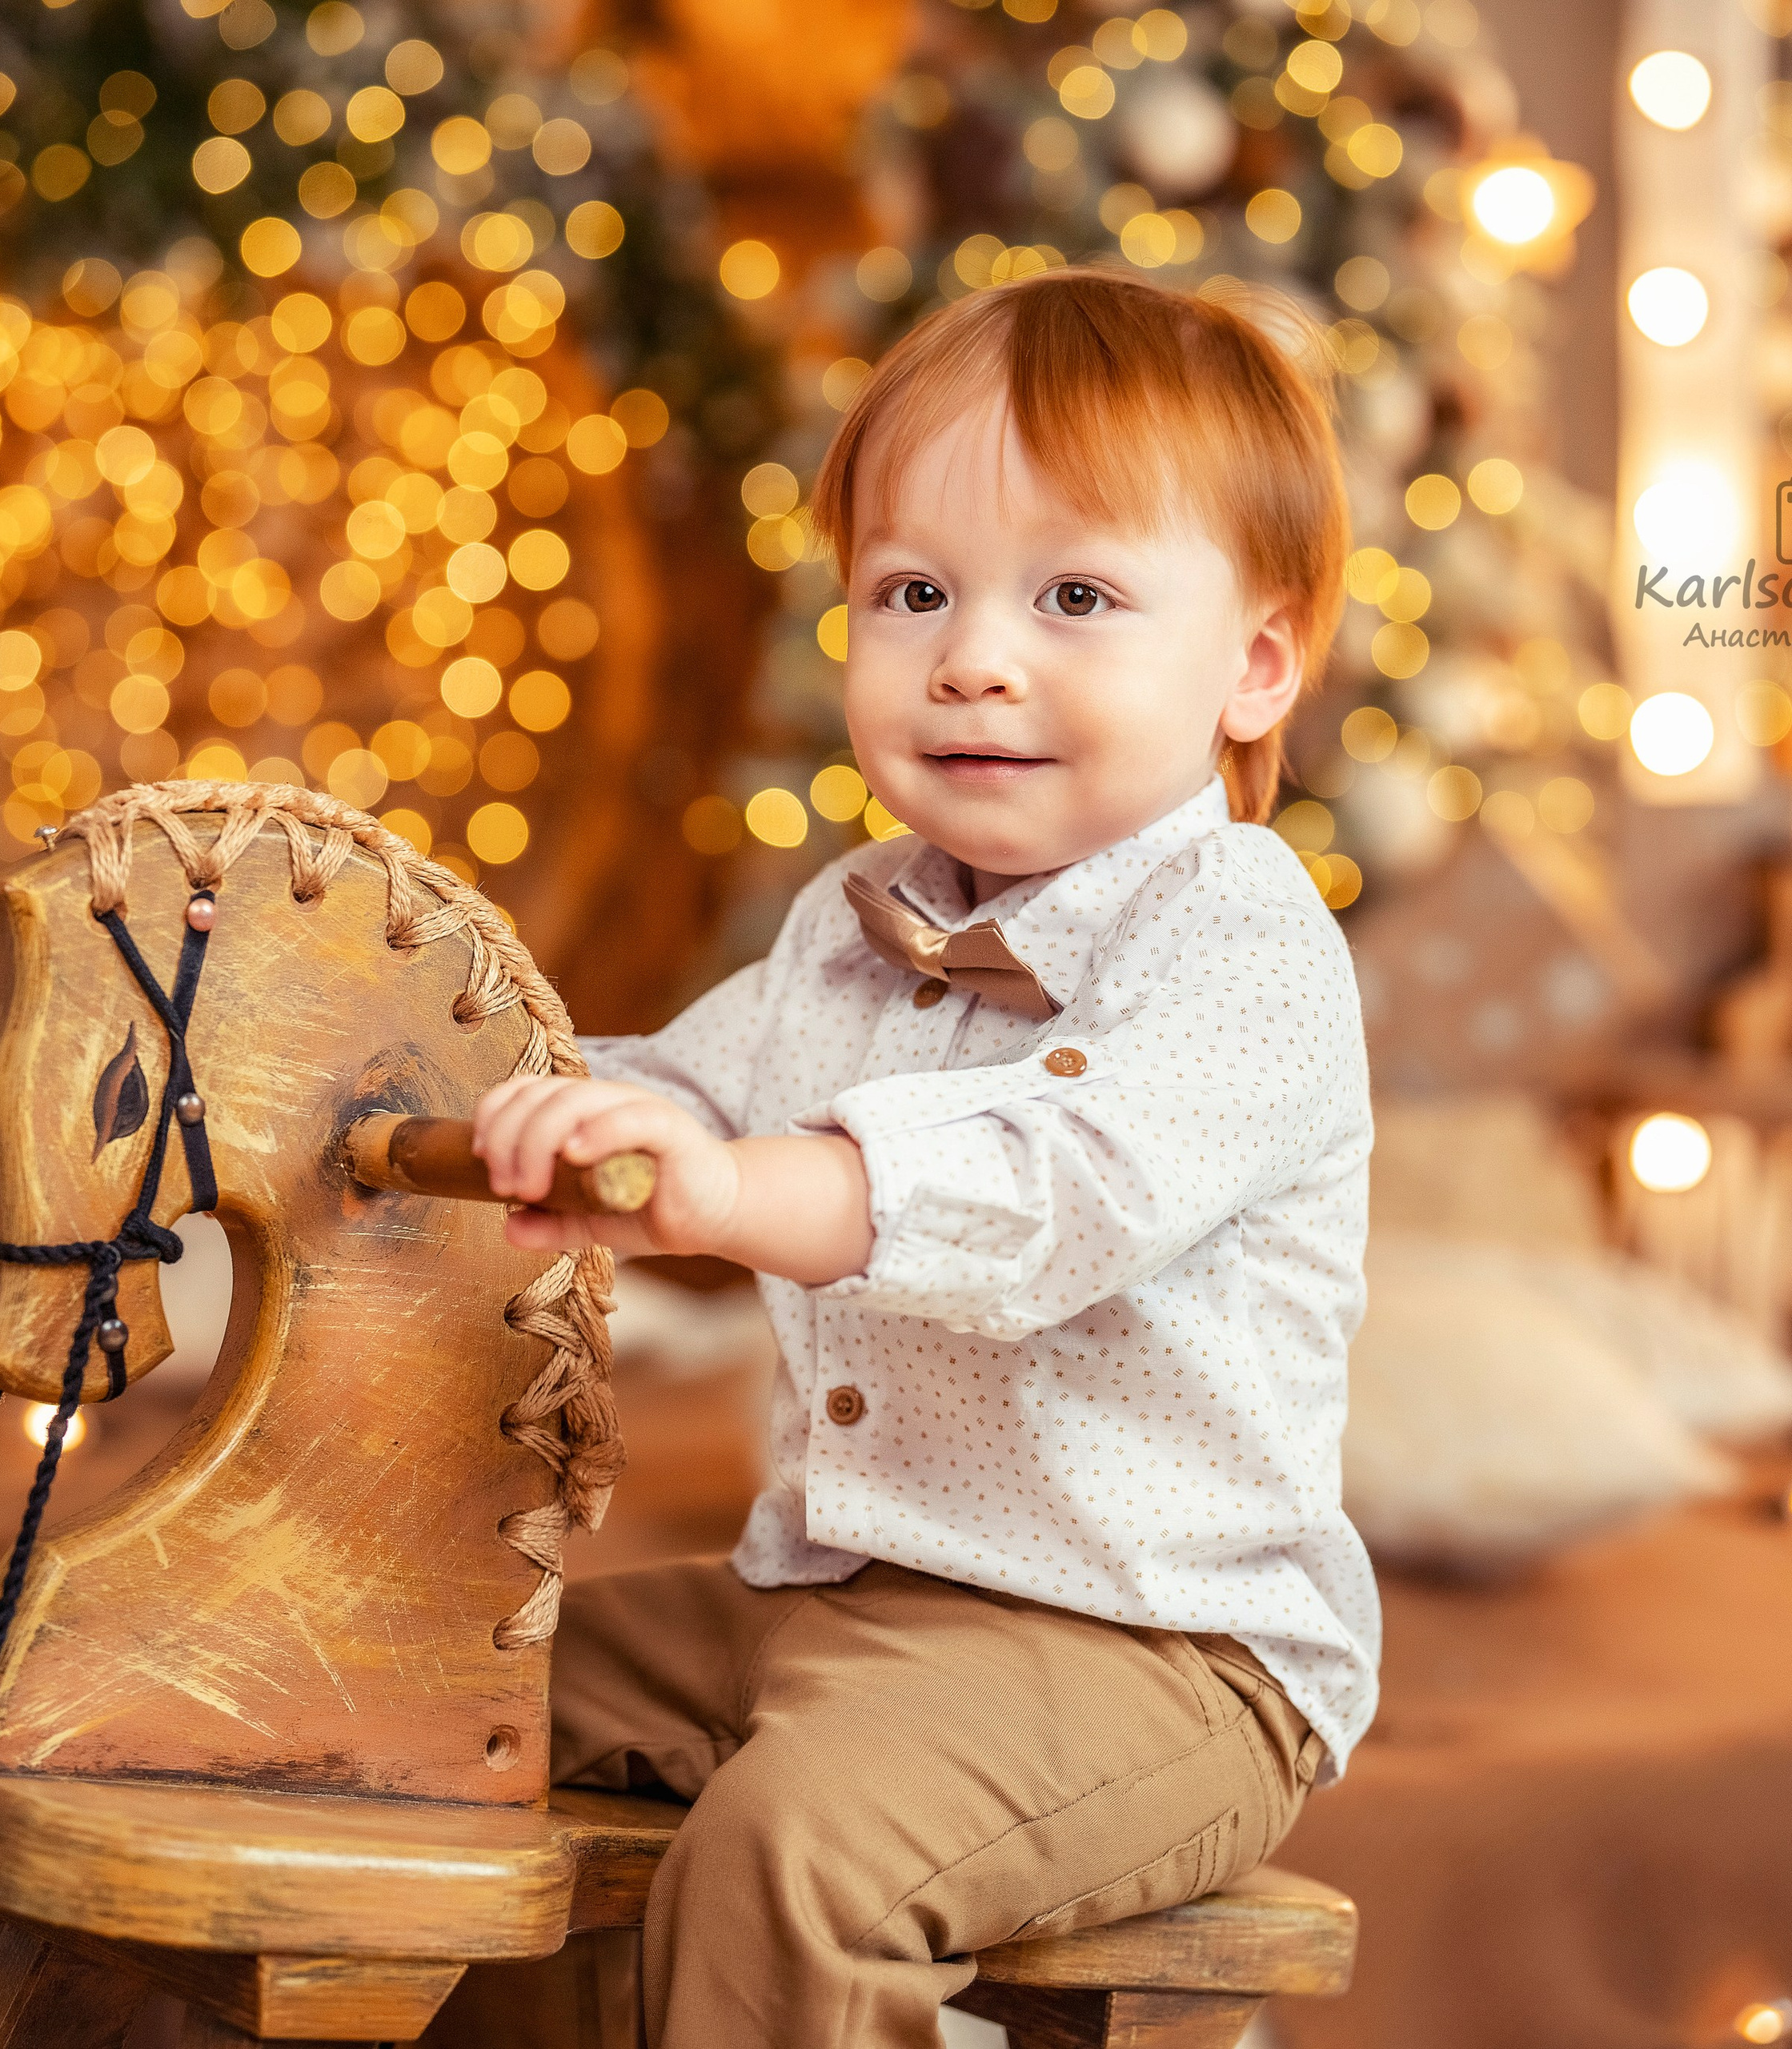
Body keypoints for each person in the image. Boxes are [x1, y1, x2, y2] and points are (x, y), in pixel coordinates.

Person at [471, 266, 1378, 2049]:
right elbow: (677, 1081)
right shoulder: (850, 918)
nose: (972, 652)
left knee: (800, 1854)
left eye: (1073, 595)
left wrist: (724, 1191)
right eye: (910, 590)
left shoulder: (1240, 937)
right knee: (426, 1687)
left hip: (1152, 1657)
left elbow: (1045, 1194)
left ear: (1253, 663)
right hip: (819, 1600)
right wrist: (555, 1104)